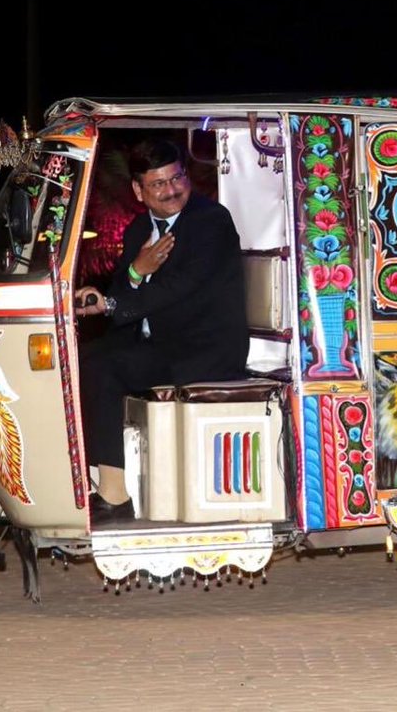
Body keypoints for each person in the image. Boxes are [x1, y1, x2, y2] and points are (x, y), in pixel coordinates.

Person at [75, 138, 249, 524]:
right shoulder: (139, 228)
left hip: (204, 349)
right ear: (138, 190)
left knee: (105, 368)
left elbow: (181, 287)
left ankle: (115, 496)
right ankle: (91, 477)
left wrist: (116, 302)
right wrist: (134, 274)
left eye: (177, 179)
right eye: (158, 184)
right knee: (82, 360)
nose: (171, 190)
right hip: (161, 347)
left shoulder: (210, 220)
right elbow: (127, 284)